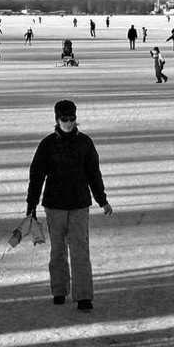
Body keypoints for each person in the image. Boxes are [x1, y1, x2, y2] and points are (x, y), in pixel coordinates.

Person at [26, 100, 112, 312]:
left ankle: (83, 295)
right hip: (54, 205)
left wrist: (102, 200)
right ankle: (59, 289)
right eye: (64, 119)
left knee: (80, 249)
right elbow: (36, 176)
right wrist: (31, 205)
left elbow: (94, 174)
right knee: (58, 250)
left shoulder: (85, 143)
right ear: (57, 119)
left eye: (72, 119)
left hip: (79, 204)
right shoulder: (47, 145)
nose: (68, 123)